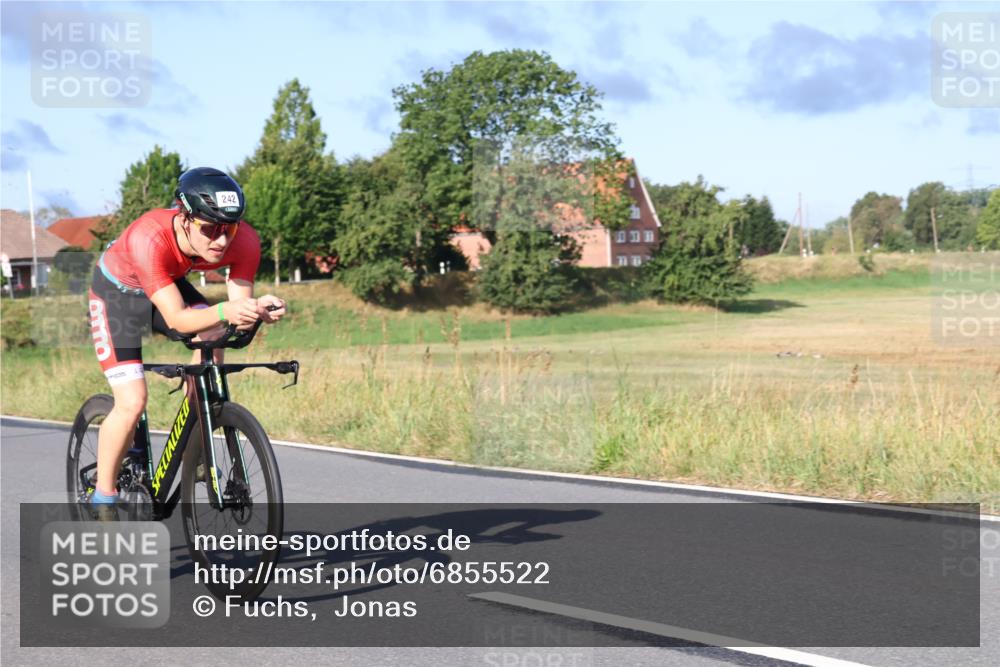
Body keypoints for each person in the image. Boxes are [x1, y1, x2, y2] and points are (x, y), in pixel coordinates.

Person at [87, 167, 285, 512]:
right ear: (184, 218)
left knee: (216, 337)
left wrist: (256, 311)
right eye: (209, 229)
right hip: (116, 296)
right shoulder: (149, 237)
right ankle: (103, 496)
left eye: (230, 228)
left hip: (163, 284)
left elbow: (236, 310)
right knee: (132, 401)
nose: (221, 241)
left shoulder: (245, 241)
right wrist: (226, 311)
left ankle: (197, 437)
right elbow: (178, 319)